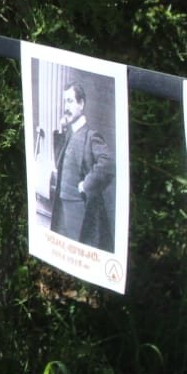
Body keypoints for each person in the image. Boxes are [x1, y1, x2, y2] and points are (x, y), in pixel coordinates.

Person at [49, 82, 115, 251]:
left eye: (70, 101)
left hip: (81, 211)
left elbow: (108, 163)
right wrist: (62, 130)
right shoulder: (70, 135)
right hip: (63, 209)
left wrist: (86, 184)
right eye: (65, 102)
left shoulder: (90, 136)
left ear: (81, 104)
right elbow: (59, 163)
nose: (66, 107)